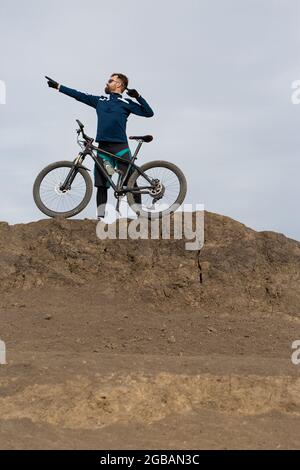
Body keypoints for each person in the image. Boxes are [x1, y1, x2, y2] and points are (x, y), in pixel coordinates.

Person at [45, 73, 154, 219]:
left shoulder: (126, 102)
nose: (107, 82)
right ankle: (101, 218)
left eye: (111, 80)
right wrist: (58, 87)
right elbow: (79, 95)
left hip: (120, 147)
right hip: (103, 147)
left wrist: (138, 96)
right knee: (101, 185)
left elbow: (149, 113)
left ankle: (142, 215)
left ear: (119, 85)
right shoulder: (100, 100)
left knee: (130, 183)